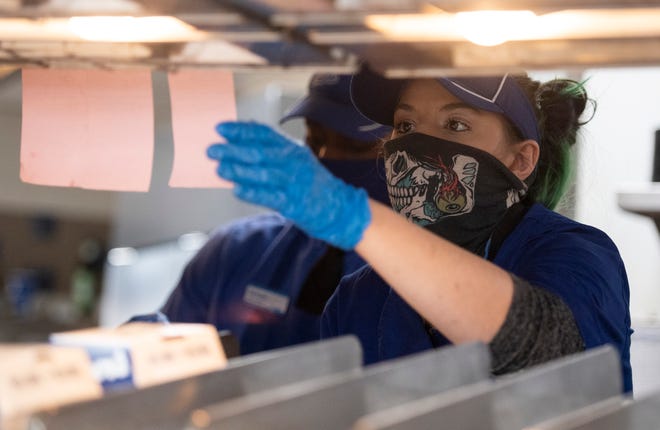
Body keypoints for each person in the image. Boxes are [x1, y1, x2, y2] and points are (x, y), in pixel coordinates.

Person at [208, 65, 633, 392]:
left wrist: (360, 221)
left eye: (456, 125)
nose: (415, 146)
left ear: (520, 160)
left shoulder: (575, 254)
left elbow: (554, 359)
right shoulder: (360, 296)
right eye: (405, 126)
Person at [159, 73, 391, 355]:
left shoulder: (423, 271)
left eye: (354, 146)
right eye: (314, 139)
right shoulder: (236, 250)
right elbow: (163, 357)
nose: (326, 156)